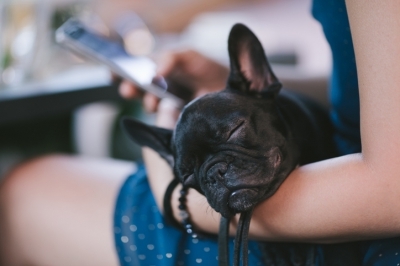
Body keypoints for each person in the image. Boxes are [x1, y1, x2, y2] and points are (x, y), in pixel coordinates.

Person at [1, 0, 400, 265]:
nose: (221, 174)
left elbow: (392, 190)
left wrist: (177, 198)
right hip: (335, 161)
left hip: (363, 225)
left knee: (19, 193)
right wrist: (230, 87)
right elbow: (366, 85)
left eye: (237, 132)